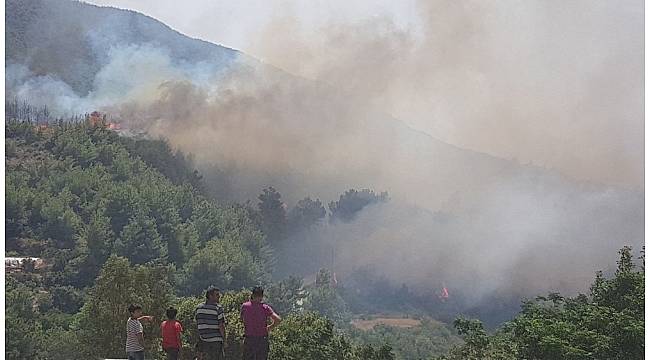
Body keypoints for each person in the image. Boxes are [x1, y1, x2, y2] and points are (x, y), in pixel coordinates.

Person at [240, 286, 282, 360]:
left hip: (249, 339)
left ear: (252, 295)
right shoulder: (265, 307)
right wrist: (269, 327)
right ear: (262, 296)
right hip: (262, 339)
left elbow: (242, 319)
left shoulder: (245, 306)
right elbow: (278, 319)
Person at [195, 286, 226, 360]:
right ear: (210, 296)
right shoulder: (218, 308)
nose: (219, 296)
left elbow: (198, 324)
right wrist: (224, 340)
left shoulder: (199, 308)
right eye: (217, 295)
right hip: (216, 341)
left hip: (203, 339)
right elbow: (221, 325)